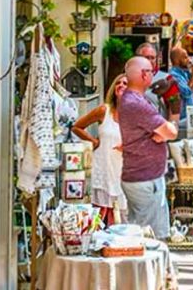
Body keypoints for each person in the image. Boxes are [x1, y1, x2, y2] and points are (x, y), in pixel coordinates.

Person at [118, 56, 178, 239]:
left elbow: (162, 133)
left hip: (143, 176)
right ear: (144, 75)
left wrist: (161, 133)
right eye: (151, 71)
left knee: (143, 231)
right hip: (145, 178)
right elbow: (171, 132)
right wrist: (173, 119)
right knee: (151, 236)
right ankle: (151, 268)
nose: (154, 75)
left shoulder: (134, 99)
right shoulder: (136, 103)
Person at [72, 74, 128, 225]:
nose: (121, 85)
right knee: (100, 219)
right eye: (118, 83)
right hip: (104, 169)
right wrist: (93, 141)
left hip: (124, 172)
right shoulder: (104, 110)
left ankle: (121, 249)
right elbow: (77, 127)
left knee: (123, 219)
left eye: (126, 83)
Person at [135, 42, 168, 116]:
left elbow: (174, 111)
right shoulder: (127, 78)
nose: (149, 61)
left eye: (152, 58)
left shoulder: (167, 78)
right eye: (146, 57)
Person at [169, 46, 193, 122]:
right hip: (182, 118)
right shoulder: (174, 75)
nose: (188, 60)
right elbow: (187, 92)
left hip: (189, 116)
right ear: (177, 60)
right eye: (185, 57)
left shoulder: (185, 72)